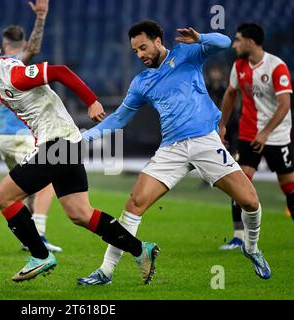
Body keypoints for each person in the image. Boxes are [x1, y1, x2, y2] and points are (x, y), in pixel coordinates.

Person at [77, 20, 271, 286]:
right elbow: (119, 118)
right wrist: (82, 137)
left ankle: (251, 247)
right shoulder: (141, 83)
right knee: (134, 204)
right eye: (135, 51)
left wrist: (200, 37)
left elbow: (225, 43)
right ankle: (105, 271)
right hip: (172, 149)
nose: (140, 55)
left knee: (250, 201)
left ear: (158, 41)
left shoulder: (188, 54)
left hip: (205, 141)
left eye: (143, 47)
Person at [0, 31, 160, 283]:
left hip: (57, 144)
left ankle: (40, 256)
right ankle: (141, 250)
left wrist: (91, 101)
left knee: (4, 197)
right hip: (68, 144)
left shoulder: (15, 75)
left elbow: (61, 72)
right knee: (80, 213)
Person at [0, 0, 61, 253]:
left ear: (2, 45)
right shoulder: (17, 63)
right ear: (23, 44)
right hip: (20, 134)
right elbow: (35, 47)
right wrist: (40, 17)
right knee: (49, 179)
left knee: (22, 186)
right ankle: (40, 234)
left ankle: (28, 239)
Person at [218, 23, 293, 250]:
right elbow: (230, 94)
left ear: (251, 42)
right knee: (239, 182)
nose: (234, 44)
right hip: (249, 134)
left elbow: (285, 105)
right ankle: (239, 237)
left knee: (289, 186)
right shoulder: (239, 66)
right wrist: (221, 125)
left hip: (277, 136)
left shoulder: (276, 66)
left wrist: (266, 132)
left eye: (238, 39)